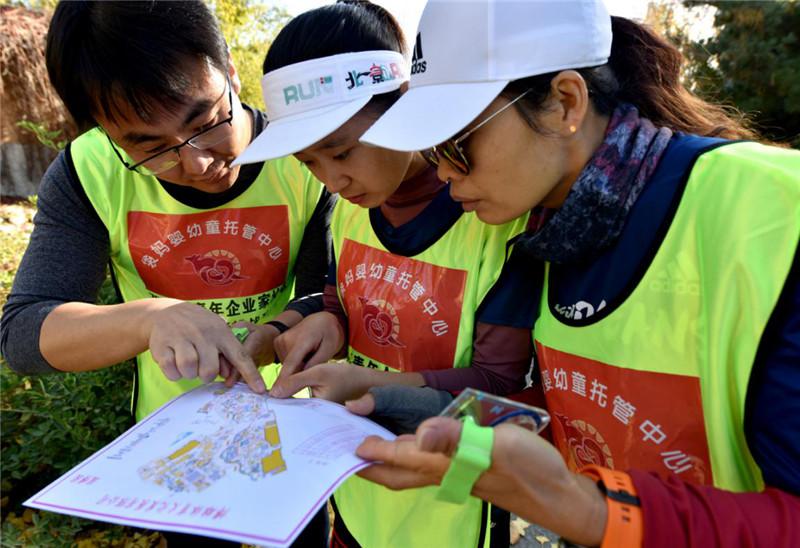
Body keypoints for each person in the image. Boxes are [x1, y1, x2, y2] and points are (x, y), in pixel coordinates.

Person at [353, 0, 800, 546]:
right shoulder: (546, 228)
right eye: (433, 148)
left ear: (566, 101)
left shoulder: (774, 211)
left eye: (458, 145)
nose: (444, 172)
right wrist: (442, 415)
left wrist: (590, 511)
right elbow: (590, 412)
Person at [0, 2, 333, 544]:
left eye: (205, 123)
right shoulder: (91, 172)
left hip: (288, 431)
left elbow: (329, 292)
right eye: (150, 148)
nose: (199, 163)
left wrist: (272, 336)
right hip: (175, 450)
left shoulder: (301, 154)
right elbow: (24, 334)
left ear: (229, 69)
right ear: (104, 131)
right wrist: (151, 319)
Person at [234, 2, 538, 546]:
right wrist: (316, 324)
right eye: (309, 163)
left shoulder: (492, 218)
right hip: (352, 488)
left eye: (342, 151)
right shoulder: (348, 213)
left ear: (401, 105)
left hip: (451, 503)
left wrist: (374, 382)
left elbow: (501, 388)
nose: (333, 180)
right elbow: (340, 302)